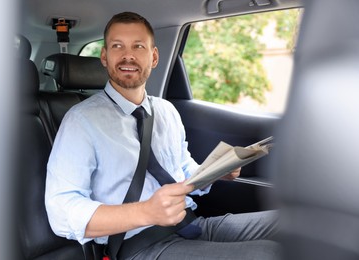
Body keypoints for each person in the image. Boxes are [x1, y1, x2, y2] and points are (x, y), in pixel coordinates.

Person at [45, 11, 280, 260]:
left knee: (294, 223)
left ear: (154, 56)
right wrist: (147, 212)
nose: (128, 55)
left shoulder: (166, 111)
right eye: (117, 46)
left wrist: (215, 171)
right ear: (105, 56)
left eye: (138, 46)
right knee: (268, 253)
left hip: (192, 225)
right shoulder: (81, 121)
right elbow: (61, 211)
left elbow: (181, 169)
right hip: (140, 245)